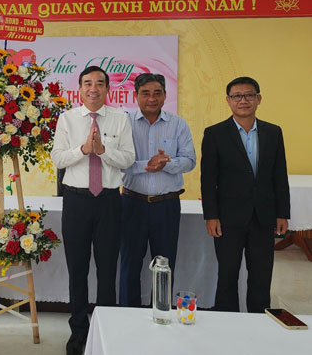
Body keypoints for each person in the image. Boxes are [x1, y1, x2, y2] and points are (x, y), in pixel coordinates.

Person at [51, 66, 135, 355]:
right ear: (80, 89)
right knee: (77, 269)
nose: (93, 88)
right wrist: (84, 150)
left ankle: (106, 330)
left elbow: (127, 160)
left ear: (107, 89)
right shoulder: (67, 119)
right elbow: (58, 159)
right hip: (76, 201)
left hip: (110, 201)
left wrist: (102, 150)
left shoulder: (120, 118)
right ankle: (78, 331)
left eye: (100, 83)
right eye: (88, 83)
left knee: (107, 269)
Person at [201, 76, 290, 313]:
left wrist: (282, 213)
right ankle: (226, 324)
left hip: (263, 217)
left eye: (249, 95)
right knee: (227, 276)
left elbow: (279, 176)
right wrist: (211, 216)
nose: (243, 100)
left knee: (261, 277)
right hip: (227, 220)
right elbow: (208, 180)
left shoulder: (273, 132)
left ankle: (259, 324)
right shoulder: (214, 134)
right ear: (228, 101)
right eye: (237, 96)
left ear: (258, 99)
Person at [119, 73, 196, 307]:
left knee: (164, 265)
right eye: (146, 93)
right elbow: (120, 161)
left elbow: (190, 160)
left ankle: (161, 313)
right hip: (132, 203)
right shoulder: (125, 123)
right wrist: (147, 165)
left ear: (165, 95)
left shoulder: (178, 124)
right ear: (136, 96)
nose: (152, 98)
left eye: (157, 93)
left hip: (167, 205)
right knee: (130, 264)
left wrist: (167, 164)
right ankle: (127, 315)